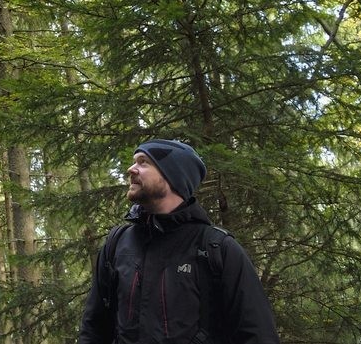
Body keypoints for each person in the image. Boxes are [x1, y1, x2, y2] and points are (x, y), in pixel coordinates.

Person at [78, 139, 278, 344]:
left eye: (143, 162)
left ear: (173, 175)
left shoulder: (218, 249)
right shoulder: (118, 243)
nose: (131, 169)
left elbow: (259, 335)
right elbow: (93, 329)